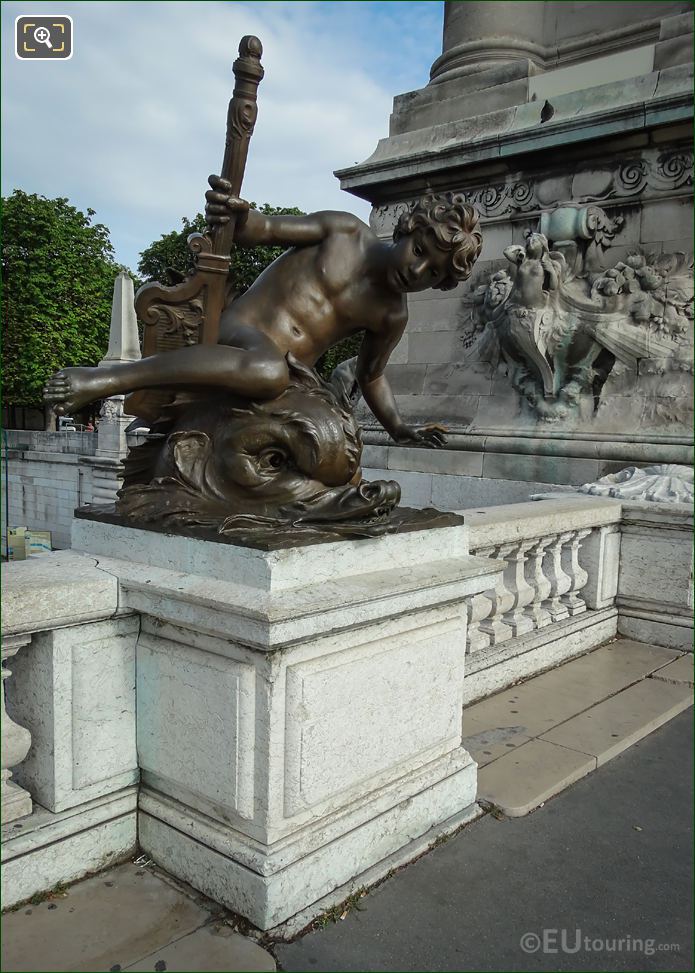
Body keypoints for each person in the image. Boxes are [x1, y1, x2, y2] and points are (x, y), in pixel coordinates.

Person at [44, 179, 482, 447]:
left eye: (434, 273)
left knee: (307, 411)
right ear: (408, 230)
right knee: (268, 369)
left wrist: (399, 428)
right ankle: (103, 381)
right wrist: (237, 212)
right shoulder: (346, 232)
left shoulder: (391, 316)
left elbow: (370, 376)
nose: (417, 269)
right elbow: (264, 229)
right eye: (420, 251)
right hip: (244, 331)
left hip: (285, 377)